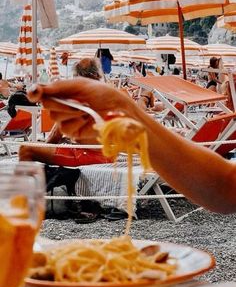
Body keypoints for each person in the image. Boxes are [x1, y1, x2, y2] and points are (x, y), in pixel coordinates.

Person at [27, 78, 236, 215]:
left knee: (26, 150)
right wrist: (126, 111)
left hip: (88, 157)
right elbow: (225, 187)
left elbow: (225, 188)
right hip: (102, 153)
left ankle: (25, 195)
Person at [19, 58, 113, 168]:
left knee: (25, 150)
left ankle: (28, 183)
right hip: (108, 155)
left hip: (86, 156)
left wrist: (44, 148)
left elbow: (54, 136)